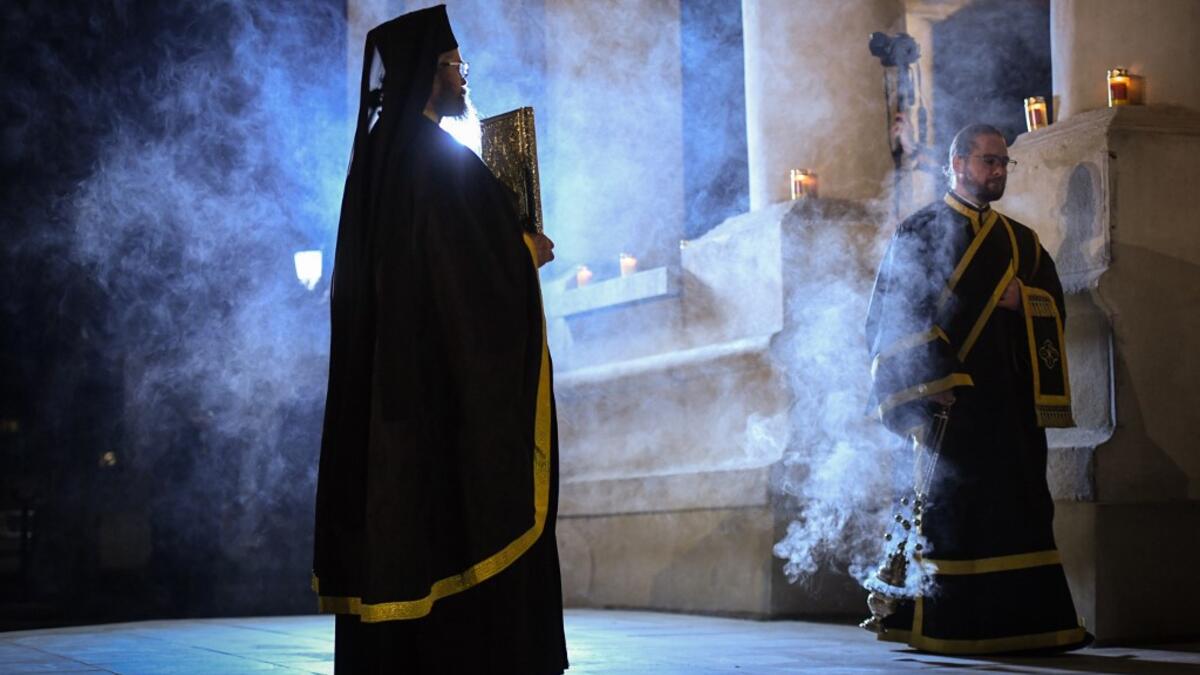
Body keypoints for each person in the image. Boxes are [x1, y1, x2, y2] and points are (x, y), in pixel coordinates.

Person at [311, 6, 567, 673]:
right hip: (438, 397)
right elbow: (467, 277)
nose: (464, 78)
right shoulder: (433, 159)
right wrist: (522, 252)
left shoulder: (376, 165)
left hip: (388, 397)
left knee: (399, 532)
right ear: (429, 74)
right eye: (457, 67)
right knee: (459, 516)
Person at [864, 123, 1089, 654]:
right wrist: (931, 382)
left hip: (1010, 406)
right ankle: (948, 624)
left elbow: (1052, 305)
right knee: (955, 511)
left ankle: (1023, 623)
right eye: (989, 161)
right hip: (951, 403)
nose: (998, 171)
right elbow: (894, 315)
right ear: (959, 164)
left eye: (1004, 163)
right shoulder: (918, 231)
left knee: (1020, 509)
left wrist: (1025, 302)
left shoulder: (1021, 241)